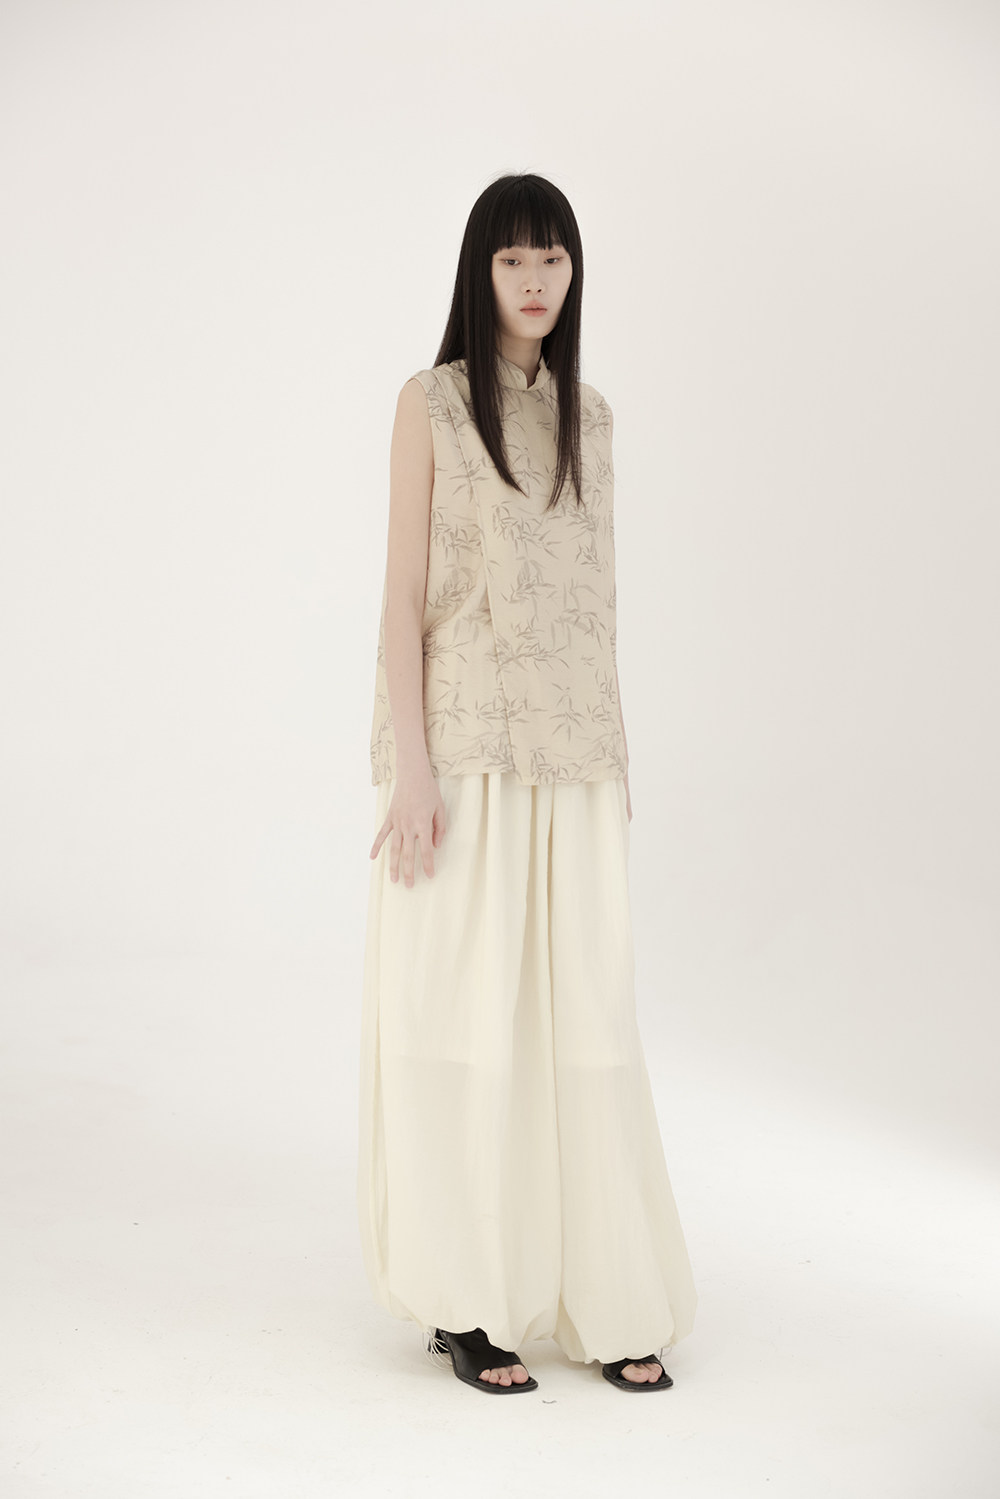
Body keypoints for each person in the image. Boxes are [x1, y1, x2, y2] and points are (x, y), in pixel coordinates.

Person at [357, 172, 697, 1395]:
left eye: (551, 256)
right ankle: (465, 1303)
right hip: (464, 751)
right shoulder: (432, 403)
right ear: (479, 272)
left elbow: (598, 607)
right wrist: (410, 768)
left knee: (587, 1027)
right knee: (462, 1024)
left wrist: (618, 761)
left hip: (577, 759)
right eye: (512, 259)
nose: (535, 279)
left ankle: (606, 1298)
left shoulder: (592, 417)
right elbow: (402, 595)